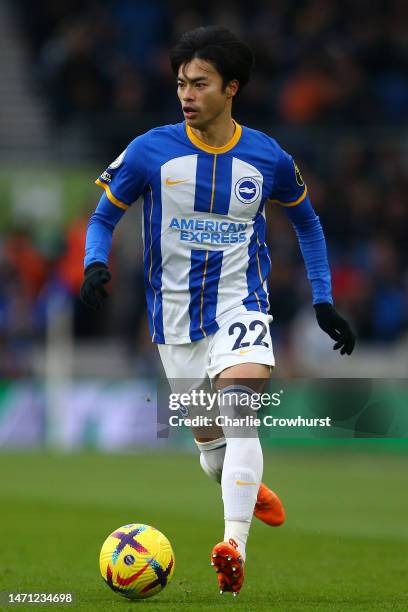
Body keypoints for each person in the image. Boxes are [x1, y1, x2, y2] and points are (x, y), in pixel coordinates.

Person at [80, 26, 355, 596]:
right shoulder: (149, 149)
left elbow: (308, 221)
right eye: (181, 83)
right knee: (211, 448)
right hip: (173, 319)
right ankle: (247, 486)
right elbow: (103, 215)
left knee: (239, 415)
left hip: (241, 303)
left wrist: (323, 298)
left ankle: (234, 545)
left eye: (199, 83)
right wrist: (93, 264)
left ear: (230, 88)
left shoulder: (267, 157)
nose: (186, 93)